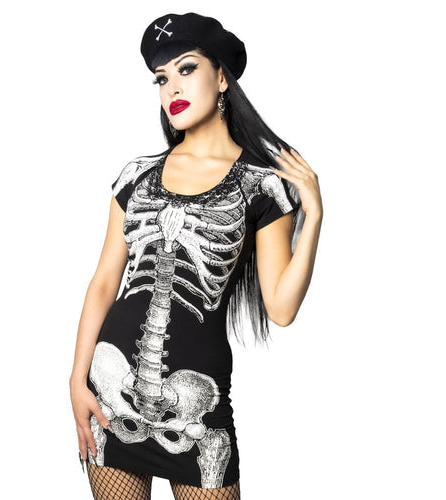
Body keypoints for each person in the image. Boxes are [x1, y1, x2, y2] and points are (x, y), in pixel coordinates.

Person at [69, 11, 322, 500]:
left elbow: (281, 309)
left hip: (194, 416)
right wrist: (77, 380)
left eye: (186, 69)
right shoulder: (136, 176)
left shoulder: (261, 186)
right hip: (112, 392)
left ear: (222, 78)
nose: (172, 89)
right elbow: (103, 283)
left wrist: (313, 216)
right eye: (162, 78)